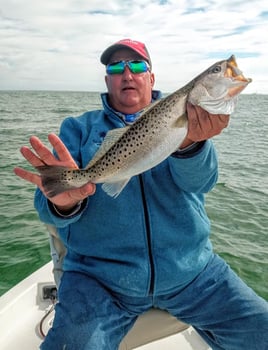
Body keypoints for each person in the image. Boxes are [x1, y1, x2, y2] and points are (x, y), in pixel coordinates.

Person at [14, 39, 268, 350]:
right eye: (116, 68)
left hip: (192, 272)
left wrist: (190, 145)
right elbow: (46, 202)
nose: (127, 74)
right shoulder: (78, 129)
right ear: (107, 79)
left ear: (151, 77)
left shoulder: (189, 119)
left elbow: (201, 183)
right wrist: (63, 203)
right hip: (100, 280)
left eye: (136, 66)